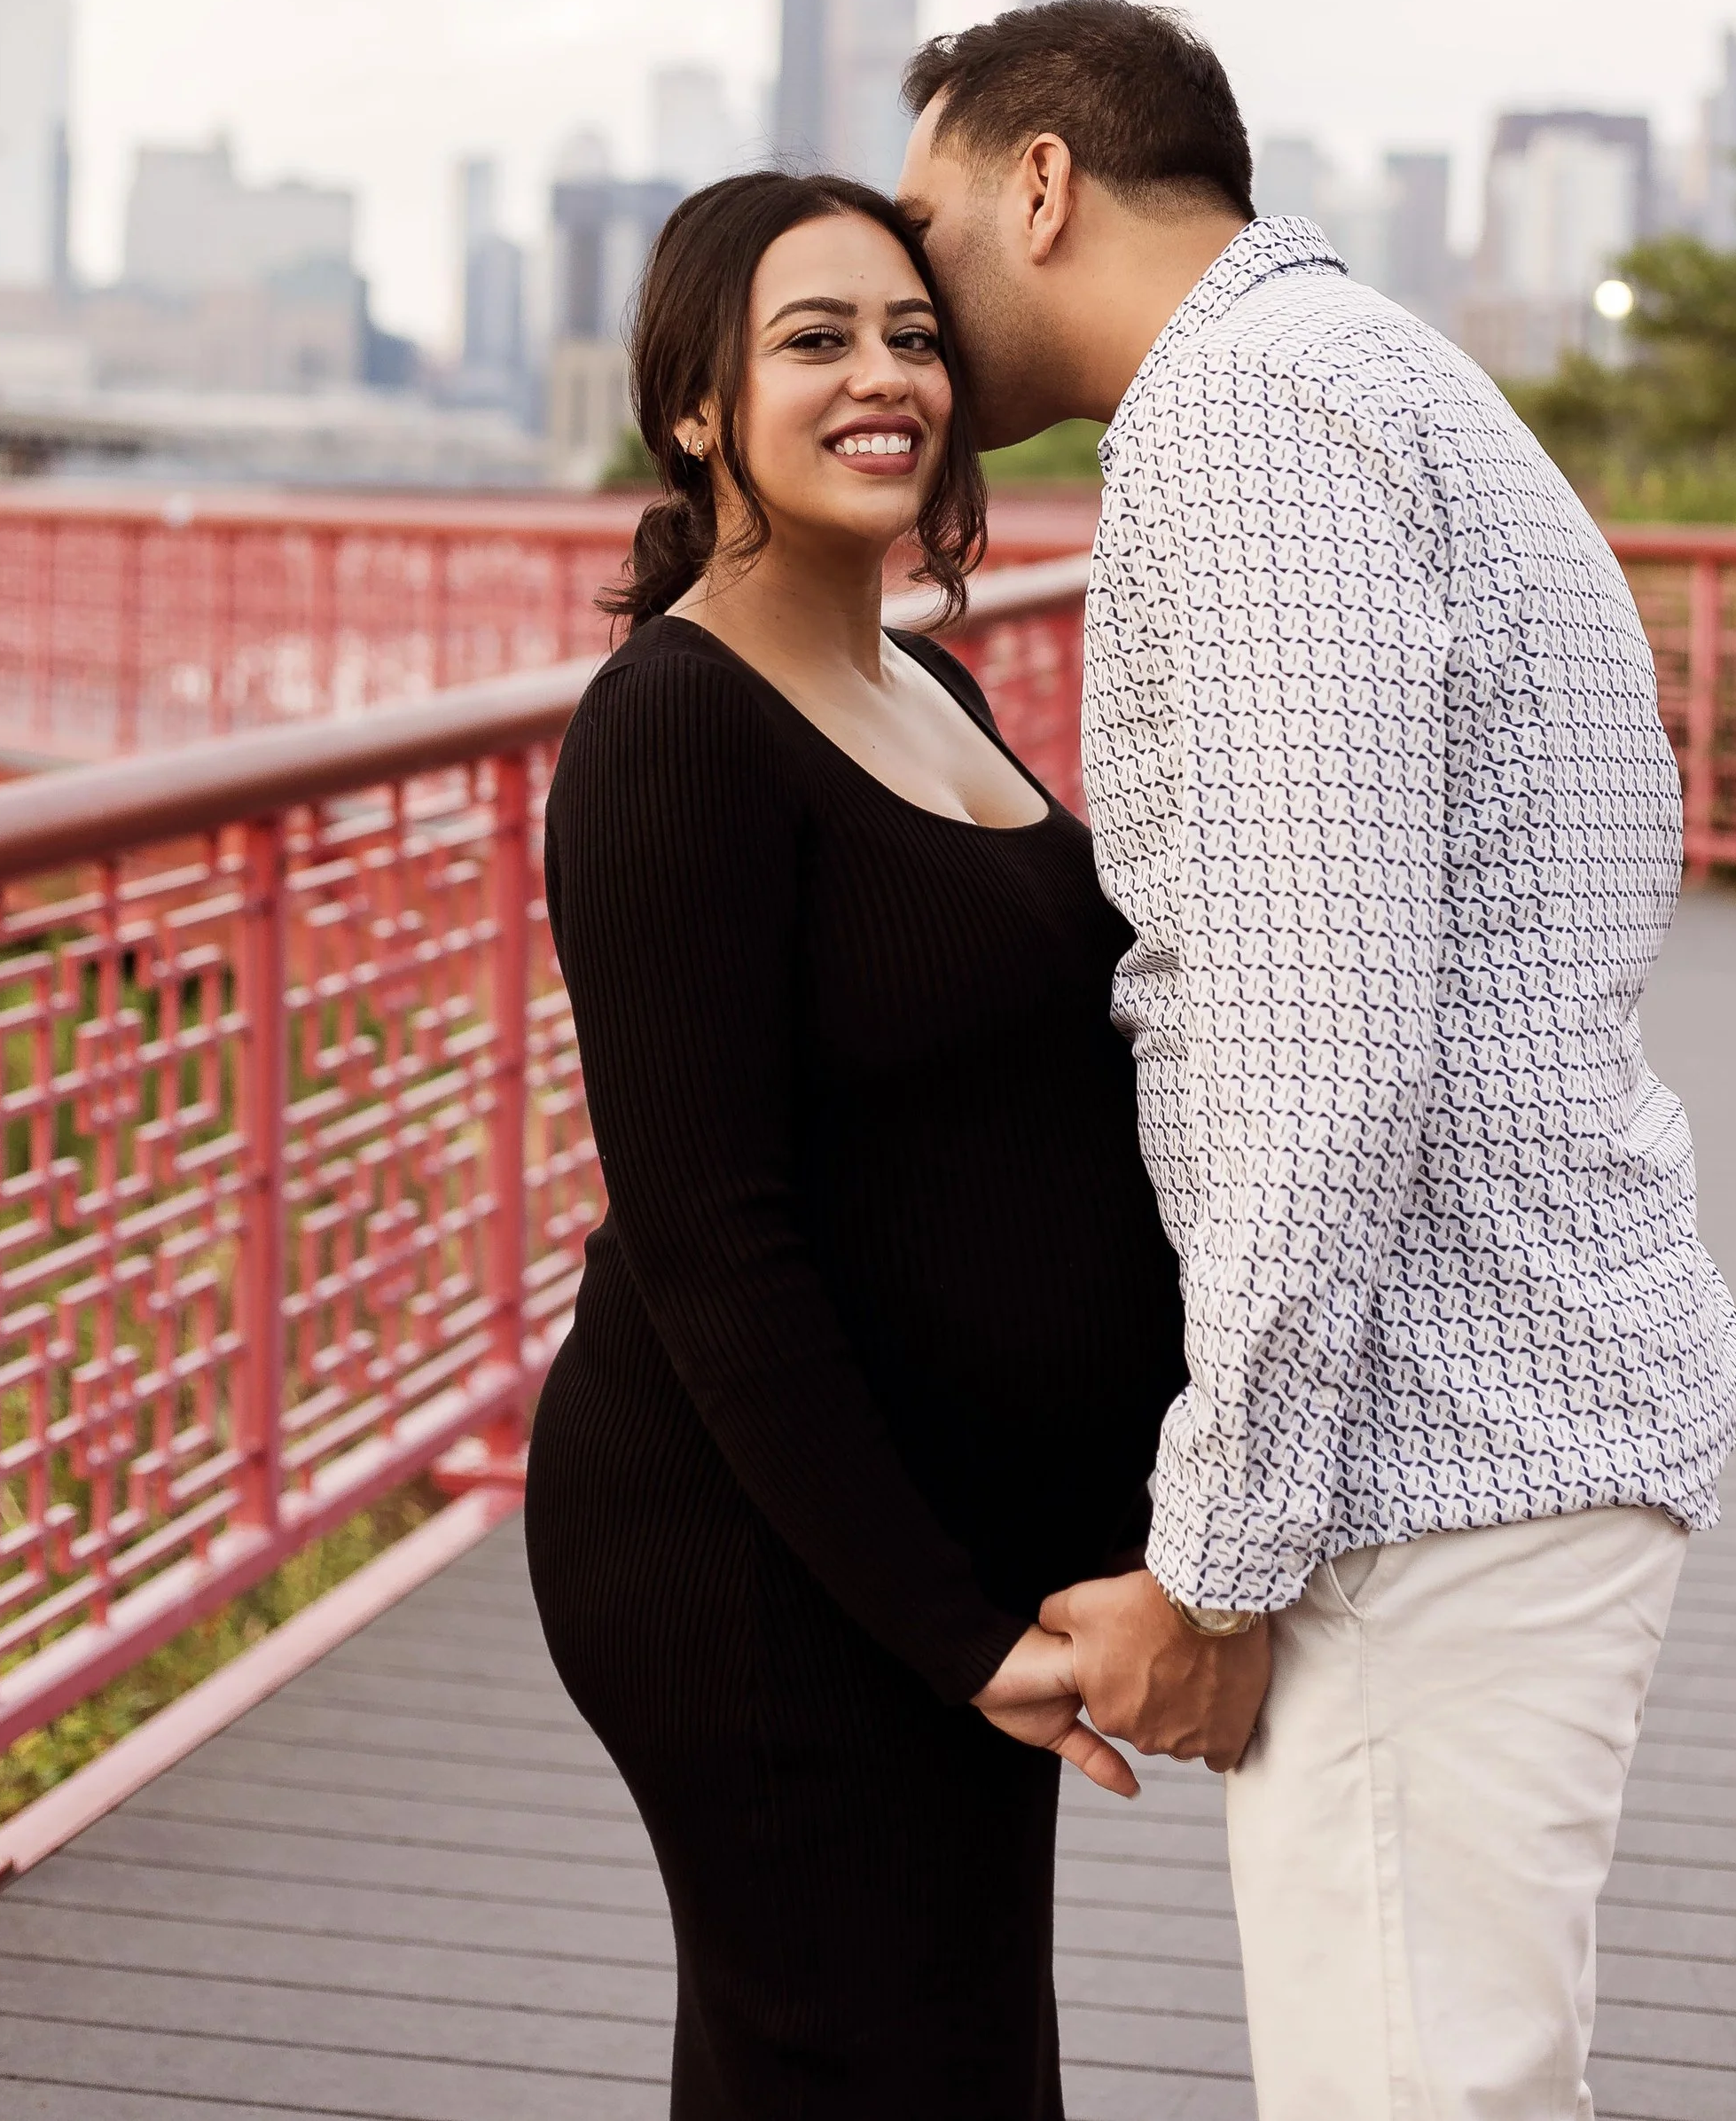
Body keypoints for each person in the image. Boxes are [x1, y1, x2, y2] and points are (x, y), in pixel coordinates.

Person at [896, 0, 1736, 2121]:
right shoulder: (1368, 372)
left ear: (1037, 183)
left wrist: (1212, 1557)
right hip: (1502, 1408)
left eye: (923, 221)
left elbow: (1313, 1039)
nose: (906, 287)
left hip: (1433, 1453)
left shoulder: (1247, 423)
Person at [525, 168, 1189, 2121]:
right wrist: (948, 1629)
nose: (882, 375)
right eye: (813, 340)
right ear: (695, 406)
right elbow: (709, 1240)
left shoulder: (930, 684)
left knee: (916, 2065)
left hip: (956, 1544)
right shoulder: (670, 728)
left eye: (910, 335)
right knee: (876, 2066)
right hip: (765, 1570)